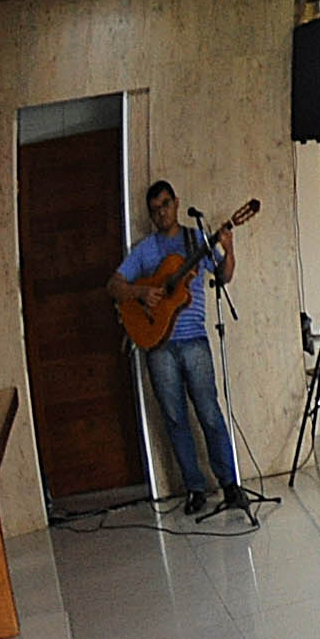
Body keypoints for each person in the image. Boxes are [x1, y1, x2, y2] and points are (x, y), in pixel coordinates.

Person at [110, 178, 250, 517]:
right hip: (158, 345)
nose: (161, 213)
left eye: (166, 205)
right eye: (154, 209)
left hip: (195, 342)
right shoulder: (144, 250)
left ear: (176, 202)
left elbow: (223, 276)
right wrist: (141, 294)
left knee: (210, 414)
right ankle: (195, 489)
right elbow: (113, 285)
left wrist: (228, 249)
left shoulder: (195, 239)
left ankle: (230, 485)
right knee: (174, 418)